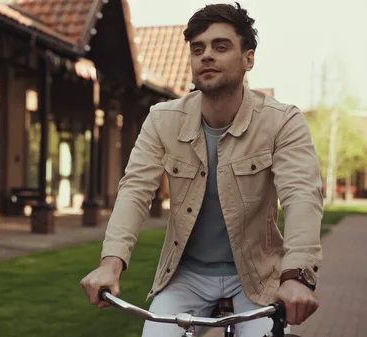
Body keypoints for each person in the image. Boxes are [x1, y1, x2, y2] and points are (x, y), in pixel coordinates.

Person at [80, 2, 323, 336]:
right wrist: (110, 264)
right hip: (186, 274)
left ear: (248, 58)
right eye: (198, 49)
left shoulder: (283, 121)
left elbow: (302, 195)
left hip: (257, 275)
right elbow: (135, 191)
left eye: (221, 46)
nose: (206, 55)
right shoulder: (162, 119)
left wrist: (297, 277)